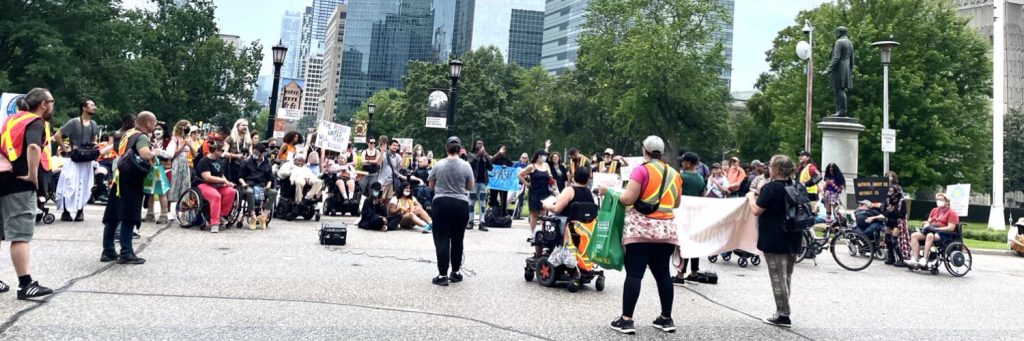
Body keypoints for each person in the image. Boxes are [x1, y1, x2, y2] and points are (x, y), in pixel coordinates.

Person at [600, 136, 680, 335]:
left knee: (635, 274)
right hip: (665, 232)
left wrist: (608, 192)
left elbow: (628, 199)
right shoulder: (674, 174)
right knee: (663, 275)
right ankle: (666, 318)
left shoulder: (642, 170)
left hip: (641, 232)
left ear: (645, 150)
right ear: (661, 152)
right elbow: (676, 203)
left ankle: (626, 320)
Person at [0, 89, 58, 298]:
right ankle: (25, 284)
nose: (53, 105)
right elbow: (34, 147)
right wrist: (33, 175)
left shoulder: (11, 120)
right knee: (20, 235)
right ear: (43, 104)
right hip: (19, 182)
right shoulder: (35, 122)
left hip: (2, 177)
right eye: (52, 102)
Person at [746, 154, 802, 328]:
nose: (768, 168)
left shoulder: (771, 188)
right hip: (794, 235)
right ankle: (782, 309)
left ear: (776, 169)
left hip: (774, 236)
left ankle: (783, 314)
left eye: (770, 165)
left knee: (777, 277)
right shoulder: (798, 187)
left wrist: (750, 198)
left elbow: (757, 210)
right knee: (787, 276)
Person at [428, 137, 474, 286]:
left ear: (446, 148)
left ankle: (442, 275)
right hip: (460, 204)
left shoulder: (439, 164)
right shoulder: (466, 165)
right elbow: (470, 187)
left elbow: (431, 185)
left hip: (441, 203)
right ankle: (455, 272)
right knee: (457, 239)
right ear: (460, 149)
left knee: (441, 239)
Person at [52, 99, 99, 222]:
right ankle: (66, 211)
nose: (94, 107)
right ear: (84, 108)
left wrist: (95, 147)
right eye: (91, 105)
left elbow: (95, 141)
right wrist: (65, 149)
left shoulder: (94, 124)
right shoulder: (74, 122)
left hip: (87, 160)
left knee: (84, 185)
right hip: (73, 158)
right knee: (69, 184)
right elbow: (57, 136)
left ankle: (80, 211)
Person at [674, 152, 706, 286]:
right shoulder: (700, 178)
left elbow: (675, 194)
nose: (682, 163)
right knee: (694, 243)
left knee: (683, 243)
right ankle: (693, 273)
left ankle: (680, 275)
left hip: (683, 213)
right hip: (696, 214)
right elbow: (703, 196)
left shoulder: (680, 177)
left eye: (683, 161)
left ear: (688, 163)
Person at [195, 140, 238, 233]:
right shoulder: (204, 161)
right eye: (221, 151)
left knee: (231, 191)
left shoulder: (219, 161)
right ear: (215, 150)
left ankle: (220, 215)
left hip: (217, 185)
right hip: (203, 184)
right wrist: (223, 181)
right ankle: (214, 223)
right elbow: (207, 177)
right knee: (215, 196)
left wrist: (227, 182)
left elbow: (221, 175)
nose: (223, 153)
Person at [909, 193, 960, 268]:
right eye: (937, 200)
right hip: (932, 230)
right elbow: (928, 222)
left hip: (944, 233)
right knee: (914, 235)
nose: (939, 201)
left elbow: (951, 228)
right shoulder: (935, 210)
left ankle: (924, 259)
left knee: (930, 235)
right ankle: (915, 259)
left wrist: (936, 229)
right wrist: (926, 227)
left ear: (947, 201)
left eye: (941, 200)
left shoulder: (952, 213)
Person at [519, 149, 558, 235]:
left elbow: (550, 177)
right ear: (539, 156)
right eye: (544, 155)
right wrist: (526, 183)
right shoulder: (531, 166)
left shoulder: (546, 165)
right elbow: (520, 175)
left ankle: (542, 232)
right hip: (534, 193)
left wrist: (554, 187)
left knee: (544, 214)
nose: (545, 157)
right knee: (534, 214)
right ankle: (532, 233)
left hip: (545, 193)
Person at [239, 143, 278, 230]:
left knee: (274, 192)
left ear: (262, 153)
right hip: (249, 185)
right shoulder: (247, 162)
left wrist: (268, 186)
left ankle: (263, 216)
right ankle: (253, 217)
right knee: (250, 192)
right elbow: (240, 177)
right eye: (254, 152)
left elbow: (270, 178)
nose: (255, 154)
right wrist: (244, 184)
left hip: (261, 187)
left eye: (257, 153)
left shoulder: (267, 163)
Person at [143, 122, 172, 224]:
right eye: (155, 129)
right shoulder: (150, 141)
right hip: (151, 168)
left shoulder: (169, 142)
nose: (157, 131)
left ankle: (164, 215)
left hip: (163, 169)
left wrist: (158, 151)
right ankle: (150, 214)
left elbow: (169, 155)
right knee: (150, 192)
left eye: (159, 129)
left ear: (164, 130)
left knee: (161, 193)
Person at [885, 171, 909, 267]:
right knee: (887, 239)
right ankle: (891, 257)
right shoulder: (888, 200)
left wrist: (892, 211)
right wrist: (887, 211)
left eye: (891, 192)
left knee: (894, 240)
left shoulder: (901, 201)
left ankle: (901, 258)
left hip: (898, 222)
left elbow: (902, 214)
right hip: (890, 221)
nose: (889, 193)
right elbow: (885, 211)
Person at [468, 139, 492, 231]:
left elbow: (491, 167)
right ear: (475, 145)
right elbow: (470, 164)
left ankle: (482, 222)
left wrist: (485, 156)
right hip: (473, 182)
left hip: (483, 182)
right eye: (478, 143)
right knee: (471, 202)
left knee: (482, 203)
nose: (480, 145)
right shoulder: (471, 155)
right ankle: (470, 221)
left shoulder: (485, 156)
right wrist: (478, 155)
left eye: (481, 143)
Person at [167, 120, 192, 203]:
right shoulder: (174, 139)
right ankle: (170, 206)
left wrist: (189, 144)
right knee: (174, 184)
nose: (188, 129)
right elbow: (173, 154)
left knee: (185, 184)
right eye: (186, 127)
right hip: (176, 163)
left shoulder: (187, 139)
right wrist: (183, 145)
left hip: (185, 163)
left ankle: (183, 204)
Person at [377, 139, 406, 204]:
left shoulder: (398, 156)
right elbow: (378, 163)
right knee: (380, 199)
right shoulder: (384, 154)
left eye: (397, 146)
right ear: (389, 146)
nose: (395, 147)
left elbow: (402, 165)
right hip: (383, 181)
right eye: (394, 145)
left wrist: (404, 153)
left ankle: (386, 213)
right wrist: (382, 151)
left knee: (389, 200)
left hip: (392, 182)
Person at [224, 118, 251, 184]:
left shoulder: (248, 140)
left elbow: (251, 154)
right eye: (243, 125)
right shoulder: (230, 138)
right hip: (232, 167)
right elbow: (224, 153)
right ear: (237, 126)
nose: (245, 127)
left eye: (247, 126)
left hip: (244, 167)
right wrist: (236, 156)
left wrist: (248, 158)